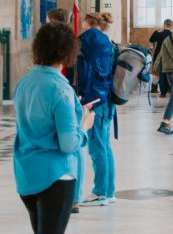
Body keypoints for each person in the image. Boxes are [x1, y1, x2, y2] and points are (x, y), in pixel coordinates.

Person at [13, 22, 95, 234]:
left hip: (27, 173)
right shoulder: (60, 88)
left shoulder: (24, 83)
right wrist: (83, 125)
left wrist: (72, 108)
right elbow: (68, 144)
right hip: (56, 175)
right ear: (68, 51)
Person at [76, 12, 116, 208]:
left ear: (88, 22)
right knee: (104, 146)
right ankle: (109, 191)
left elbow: (84, 70)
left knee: (96, 147)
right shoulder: (107, 40)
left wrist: (83, 95)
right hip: (107, 98)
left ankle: (100, 192)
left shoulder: (90, 37)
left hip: (95, 100)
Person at [149, 19, 172, 97]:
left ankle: (161, 92)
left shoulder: (159, 34)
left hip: (159, 57)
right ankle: (169, 89)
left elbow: (151, 39)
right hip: (169, 57)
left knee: (159, 75)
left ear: (164, 25)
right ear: (171, 25)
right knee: (168, 74)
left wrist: (157, 31)